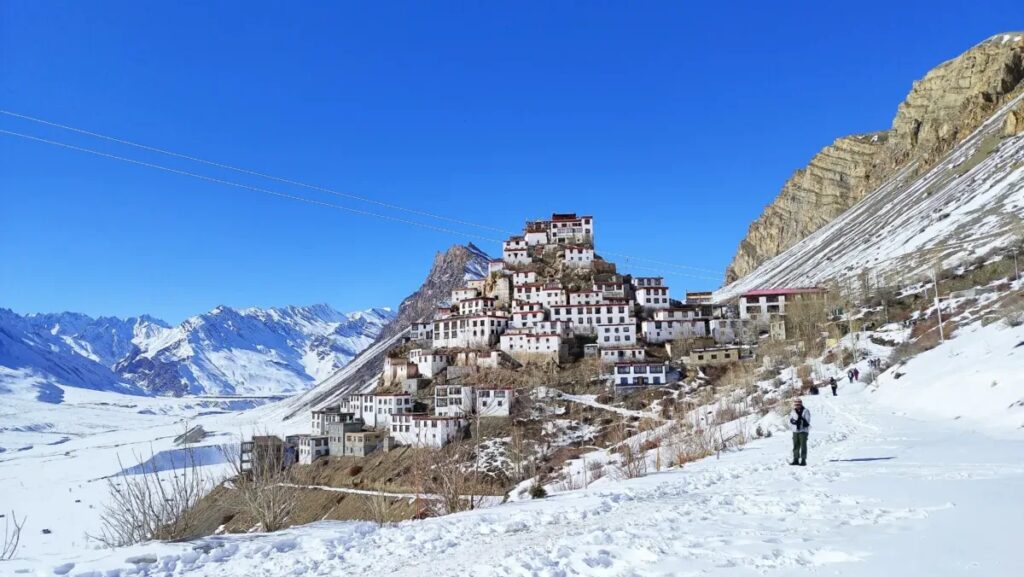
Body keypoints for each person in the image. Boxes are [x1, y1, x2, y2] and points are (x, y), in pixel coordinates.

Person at [789, 398, 811, 466]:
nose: (797, 405)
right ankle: (796, 459)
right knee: (795, 445)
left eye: (798, 404)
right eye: (796, 404)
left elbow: (807, 421)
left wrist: (800, 422)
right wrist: (793, 423)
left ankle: (803, 460)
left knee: (803, 445)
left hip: (803, 431)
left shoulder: (806, 411)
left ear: (801, 404)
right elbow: (790, 420)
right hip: (795, 431)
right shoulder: (793, 411)